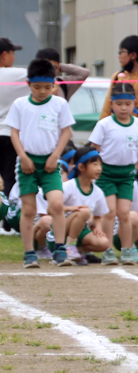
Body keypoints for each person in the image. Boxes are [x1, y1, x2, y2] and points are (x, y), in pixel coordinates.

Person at [9, 59, 74, 268]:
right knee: (28, 210)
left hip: (51, 163)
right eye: (37, 87)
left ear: (54, 84)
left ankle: (60, 249)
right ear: (28, 84)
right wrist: (24, 157)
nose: (43, 91)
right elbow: (14, 133)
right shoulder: (20, 104)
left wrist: (55, 156)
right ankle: (29, 253)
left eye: (48, 87)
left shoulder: (59, 104)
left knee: (56, 204)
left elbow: (66, 131)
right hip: (27, 162)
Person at [90, 81, 138, 266]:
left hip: (127, 174)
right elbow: (94, 150)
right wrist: (94, 172)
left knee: (124, 213)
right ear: (111, 104)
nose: (124, 108)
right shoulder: (104, 124)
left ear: (134, 104)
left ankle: (126, 251)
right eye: (119, 104)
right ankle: (107, 250)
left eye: (128, 104)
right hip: (106, 173)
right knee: (109, 212)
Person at [57, 146, 112, 264]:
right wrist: (71, 209)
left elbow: (98, 216)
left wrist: (98, 227)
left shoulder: (98, 192)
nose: (99, 168)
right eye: (94, 164)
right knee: (85, 211)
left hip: (81, 231)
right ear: (81, 167)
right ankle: (68, 247)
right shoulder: (68, 186)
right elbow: (52, 209)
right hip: (60, 230)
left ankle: (77, 250)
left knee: (104, 243)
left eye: (100, 165)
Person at [99, 36, 138, 136]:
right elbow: (107, 107)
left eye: (121, 52)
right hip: (114, 132)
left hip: (137, 134)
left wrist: (132, 96)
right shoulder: (117, 76)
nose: (119, 56)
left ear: (133, 55)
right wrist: (100, 129)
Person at [0, 37, 28, 199]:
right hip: (10, 135)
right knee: (10, 178)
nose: (14, 58)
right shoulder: (17, 75)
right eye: (12, 53)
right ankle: (8, 220)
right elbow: (44, 72)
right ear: (4, 54)